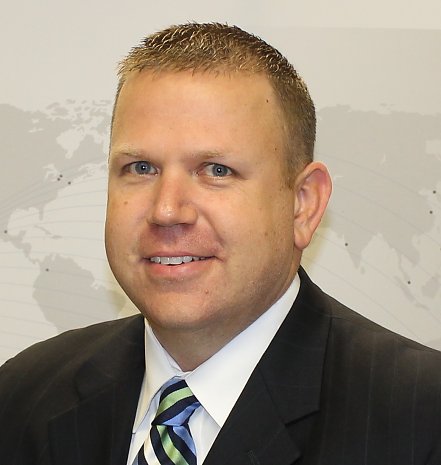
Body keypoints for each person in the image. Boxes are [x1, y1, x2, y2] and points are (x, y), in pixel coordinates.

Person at [0, 22, 440, 465]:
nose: (166, 210)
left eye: (216, 170)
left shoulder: (420, 421)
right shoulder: (22, 397)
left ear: (303, 205)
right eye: (141, 168)